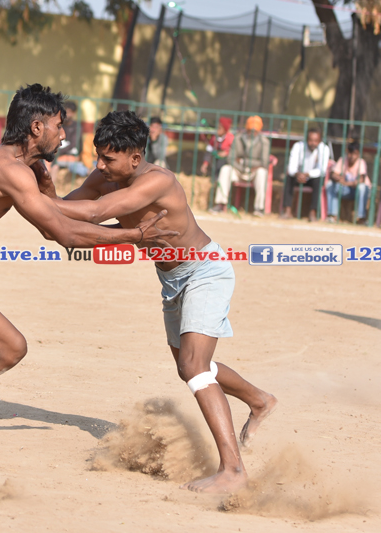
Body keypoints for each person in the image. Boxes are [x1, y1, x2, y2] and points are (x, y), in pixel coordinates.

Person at [0, 85, 177, 499]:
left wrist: (50, 193)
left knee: (9, 347)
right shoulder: (8, 168)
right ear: (36, 127)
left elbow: (51, 226)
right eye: (59, 126)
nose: (63, 134)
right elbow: (65, 235)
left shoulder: (21, 167)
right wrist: (133, 236)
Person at [54, 111, 277, 494]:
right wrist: (40, 196)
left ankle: (233, 470)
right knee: (189, 366)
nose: (99, 166)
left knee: (194, 366)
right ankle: (259, 400)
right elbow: (62, 213)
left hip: (204, 270)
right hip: (171, 279)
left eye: (108, 158)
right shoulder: (104, 177)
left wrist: (30, 198)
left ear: (135, 158)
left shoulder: (158, 181)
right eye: (98, 156)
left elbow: (93, 213)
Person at [213, 115, 269, 215]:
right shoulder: (238, 138)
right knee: (225, 169)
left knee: (262, 173)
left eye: (255, 131)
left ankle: (259, 208)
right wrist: (240, 166)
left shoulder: (264, 142)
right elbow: (231, 158)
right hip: (238, 170)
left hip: (254, 171)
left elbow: (264, 162)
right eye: (250, 130)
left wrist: (244, 162)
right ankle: (220, 204)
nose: (252, 133)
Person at [281, 126, 332, 220]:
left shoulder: (324, 149)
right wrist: (298, 174)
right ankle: (287, 211)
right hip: (298, 176)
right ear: (306, 139)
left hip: (313, 177)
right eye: (310, 140)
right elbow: (291, 167)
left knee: (319, 181)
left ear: (320, 140)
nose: (313, 143)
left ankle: (313, 212)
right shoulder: (298, 146)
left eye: (316, 141)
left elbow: (321, 170)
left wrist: (307, 174)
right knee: (289, 178)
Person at [326, 141, 370, 223]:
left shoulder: (361, 162)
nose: (352, 156)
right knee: (330, 184)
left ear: (359, 154)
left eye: (355, 153)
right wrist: (337, 178)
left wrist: (345, 183)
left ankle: (361, 218)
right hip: (345, 190)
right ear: (347, 152)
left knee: (362, 187)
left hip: (358, 192)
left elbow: (361, 180)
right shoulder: (342, 160)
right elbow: (334, 174)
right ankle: (332, 216)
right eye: (350, 153)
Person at [49, 100, 89, 184]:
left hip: (70, 156)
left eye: (69, 112)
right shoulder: (60, 125)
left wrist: (57, 152)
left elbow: (73, 145)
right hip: (58, 155)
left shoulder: (77, 127)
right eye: (65, 112)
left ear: (74, 113)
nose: (67, 114)